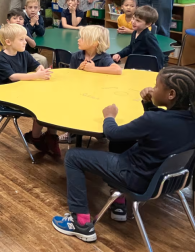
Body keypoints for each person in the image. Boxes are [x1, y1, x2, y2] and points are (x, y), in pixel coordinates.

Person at [52, 66, 195, 242]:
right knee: (122, 143)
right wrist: (149, 104)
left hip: (136, 178)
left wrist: (109, 117)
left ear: (171, 94)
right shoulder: (188, 119)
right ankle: (119, 205)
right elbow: (160, 130)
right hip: (168, 181)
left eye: (157, 86)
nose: (153, 88)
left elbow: (113, 133)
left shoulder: (153, 120)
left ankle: (80, 222)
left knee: (73, 157)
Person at [0, 24, 59, 156]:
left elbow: (35, 64)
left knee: (52, 101)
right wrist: (35, 76)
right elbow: (12, 77)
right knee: (42, 106)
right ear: (8, 42)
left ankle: (51, 136)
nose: (25, 42)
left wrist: (40, 68)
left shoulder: (22, 53)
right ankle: (36, 137)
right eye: (22, 39)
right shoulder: (1, 58)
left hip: (23, 92)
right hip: (9, 98)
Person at [112, 5, 165, 71]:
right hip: (135, 65)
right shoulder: (135, 32)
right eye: (133, 18)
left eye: (138, 21)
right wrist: (120, 54)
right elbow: (131, 47)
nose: (133, 22)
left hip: (144, 68)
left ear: (148, 24)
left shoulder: (148, 36)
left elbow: (158, 55)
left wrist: (158, 71)